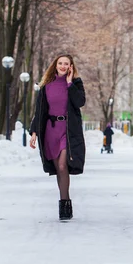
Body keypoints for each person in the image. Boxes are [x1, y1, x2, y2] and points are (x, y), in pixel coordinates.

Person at [29, 54, 86, 220]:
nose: (62, 66)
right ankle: (64, 200)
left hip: (68, 130)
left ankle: (65, 203)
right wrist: (34, 132)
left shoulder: (76, 83)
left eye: (66, 64)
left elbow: (80, 102)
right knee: (58, 169)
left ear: (71, 67)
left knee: (62, 165)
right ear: (55, 65)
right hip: (50, 130)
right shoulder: (46, 86)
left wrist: (69, 84)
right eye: (60, 63)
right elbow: (39, 111)